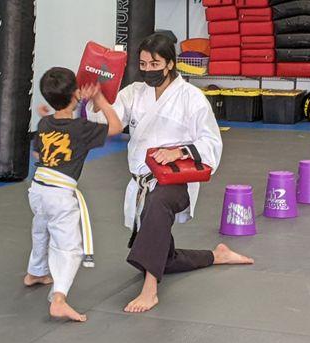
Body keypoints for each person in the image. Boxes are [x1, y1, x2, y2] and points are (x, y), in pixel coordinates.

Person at [85, 33, 254, 313]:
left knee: (159, 203)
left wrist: (179, 151)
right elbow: (110, 122)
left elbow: (212, 142)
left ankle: (150, 290)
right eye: (143, 64)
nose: (149, 70)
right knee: (162, 256)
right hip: (143, 180)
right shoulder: (134, 92)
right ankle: (217, 255)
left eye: (155, 64)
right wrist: (97, 100)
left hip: (177, 180)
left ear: (170, 64)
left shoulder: (192, 98)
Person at [24, 67, 123, 322]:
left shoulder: (44, 122)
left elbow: (38, 155)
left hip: (37, 189)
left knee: (41, 228)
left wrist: (51, 121)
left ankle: (35, 272)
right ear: (76, 93)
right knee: (69, 247)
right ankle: (59, 299)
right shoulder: (81, 128)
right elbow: (116, 126)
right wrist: (99, 99)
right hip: (59, 194)